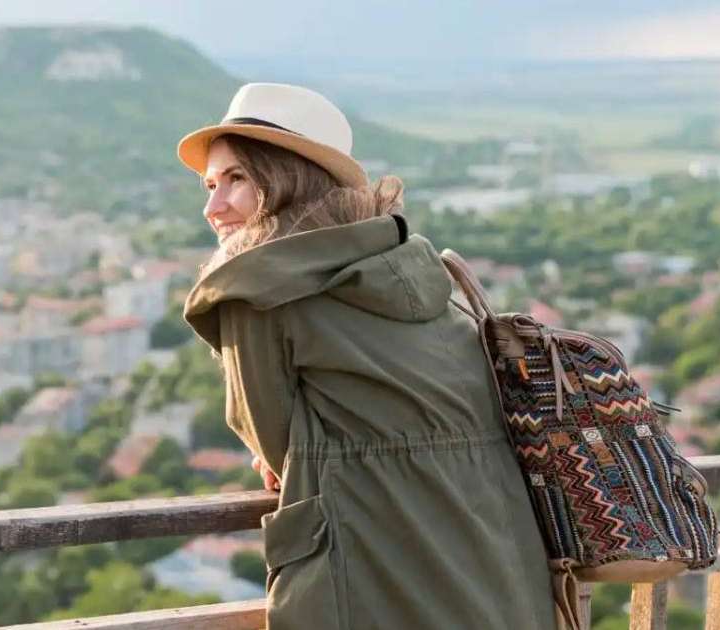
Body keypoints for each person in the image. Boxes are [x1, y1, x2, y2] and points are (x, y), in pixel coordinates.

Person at [178, 83, 559, 629]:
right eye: (210, 185)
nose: (213, 207)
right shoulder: (415, 267)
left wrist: (296, 451)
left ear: (287, 178)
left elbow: (271, 438)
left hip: (371, 564)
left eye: (236, 179)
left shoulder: (253, 288)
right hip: (497, 557)